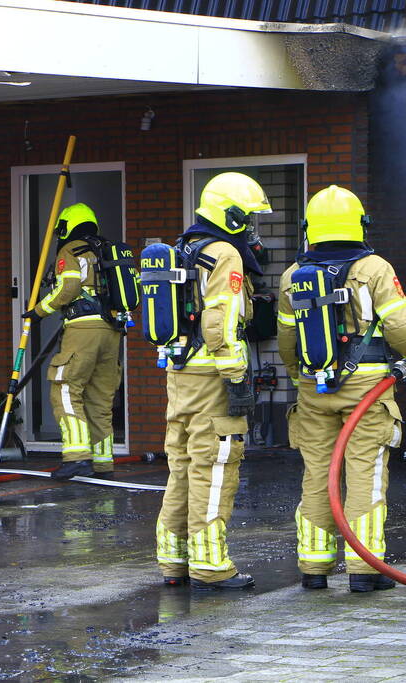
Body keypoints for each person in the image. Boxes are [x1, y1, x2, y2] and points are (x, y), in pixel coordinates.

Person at [277, 185, 406, 592]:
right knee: (364, 474)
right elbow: (400, 326)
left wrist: (300, 376)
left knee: (317, 474)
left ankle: (313, 569)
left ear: (309, 228)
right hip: (367, 387)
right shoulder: (375, 269)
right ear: (359, 223)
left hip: (313, 389)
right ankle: (364, 571)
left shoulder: (291, 276)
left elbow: (286, 341)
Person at [155, 172, 271, 590]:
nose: (252, 228)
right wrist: (237, 373)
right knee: (215, 465)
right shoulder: (224, 253)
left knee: (182, 465)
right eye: (249, 218)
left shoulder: (186, 247)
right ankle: (210, 565)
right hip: (212, 377)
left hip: (180, 373)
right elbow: (220, 318)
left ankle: (174, 560)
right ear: (233, 214)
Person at [22, 203, 122, 478]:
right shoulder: (107, 251)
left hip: (82, 329)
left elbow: (69, 288)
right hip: (111, 330)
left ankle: (76, 455)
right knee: (100, 400)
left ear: (67, 226)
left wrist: (40, 310)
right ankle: (103, 462)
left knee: (66, 388)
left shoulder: (71, 250)